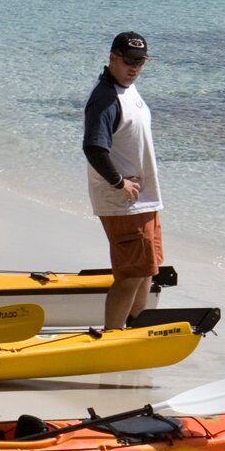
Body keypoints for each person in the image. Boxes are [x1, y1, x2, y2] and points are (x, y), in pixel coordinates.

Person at [82, 28, 164, 329]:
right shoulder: (104, 98)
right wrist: (119, 182)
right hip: (124, 202)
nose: (134, 68)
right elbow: (93, 147)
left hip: (144, 200)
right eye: (129, 61)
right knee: (130, 275)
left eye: (140, 62)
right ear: (113, 58)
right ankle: (112, 334)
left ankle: (132, 327)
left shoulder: (126, 88)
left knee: (147, 269)